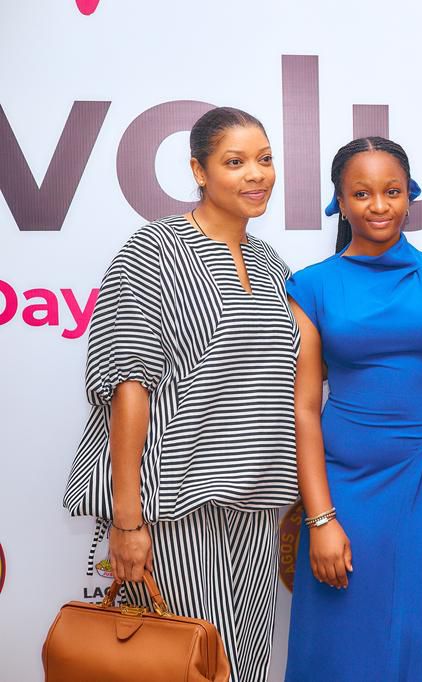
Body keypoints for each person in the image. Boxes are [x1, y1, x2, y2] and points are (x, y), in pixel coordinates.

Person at [63, 107, 298, 682]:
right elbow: (128, 386)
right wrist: (127, 520)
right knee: (185, 664)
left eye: (265, 159)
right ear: (199, 171)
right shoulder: (154, 251)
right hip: (172, 507)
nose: (256, 174)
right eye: (235, 162)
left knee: (241, 667)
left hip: (253, 505)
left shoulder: (272, 265)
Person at [284, 136, 422, 681]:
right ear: (339, 202)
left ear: (411, 194)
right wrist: (320, 517)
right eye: (361, 193)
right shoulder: (311, 286)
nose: (378, 206)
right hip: (345, 490)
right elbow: (303, 408)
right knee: (347, 648)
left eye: (392, 191)